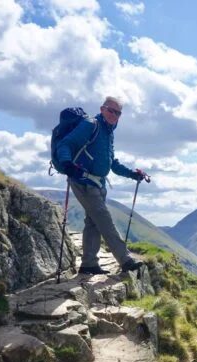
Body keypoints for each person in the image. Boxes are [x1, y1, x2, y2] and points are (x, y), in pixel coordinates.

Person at [56, 96, 149, 275]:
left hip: (98, 183)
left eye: (118, 113)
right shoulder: (91, 125)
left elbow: (111, 162)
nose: (115, 115)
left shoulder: (108, 132)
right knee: (105, 221)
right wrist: (67, 163)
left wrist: (132, 174)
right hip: (83, 181)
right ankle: (125, 260)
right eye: (111, 110)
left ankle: (89, 264)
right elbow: (66, 144)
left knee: (93, 223)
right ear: (102, 109)